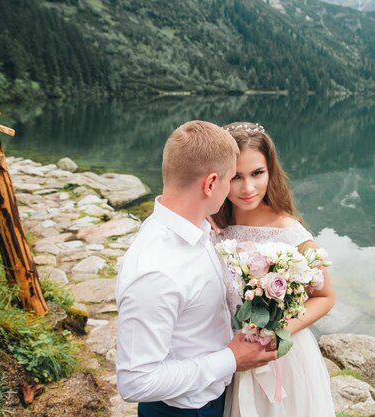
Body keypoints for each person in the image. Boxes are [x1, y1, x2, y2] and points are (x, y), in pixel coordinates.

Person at [115, 120, 277, 417]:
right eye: (230, 180)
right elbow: (135, 382)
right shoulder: (155, 272)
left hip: (215, 396)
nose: (232, 189)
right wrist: (230, 359)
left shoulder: (198, 226)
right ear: (211, 183)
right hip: (184, 410)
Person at [213, 122, 336, 417]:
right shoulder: (215, 228)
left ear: (270, 170)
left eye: (257, 173)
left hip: (282, 359)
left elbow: (325, 297)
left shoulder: (291, 232)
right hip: (228, 353)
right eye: (236, 177)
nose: (248, 188)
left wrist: (277, 331)